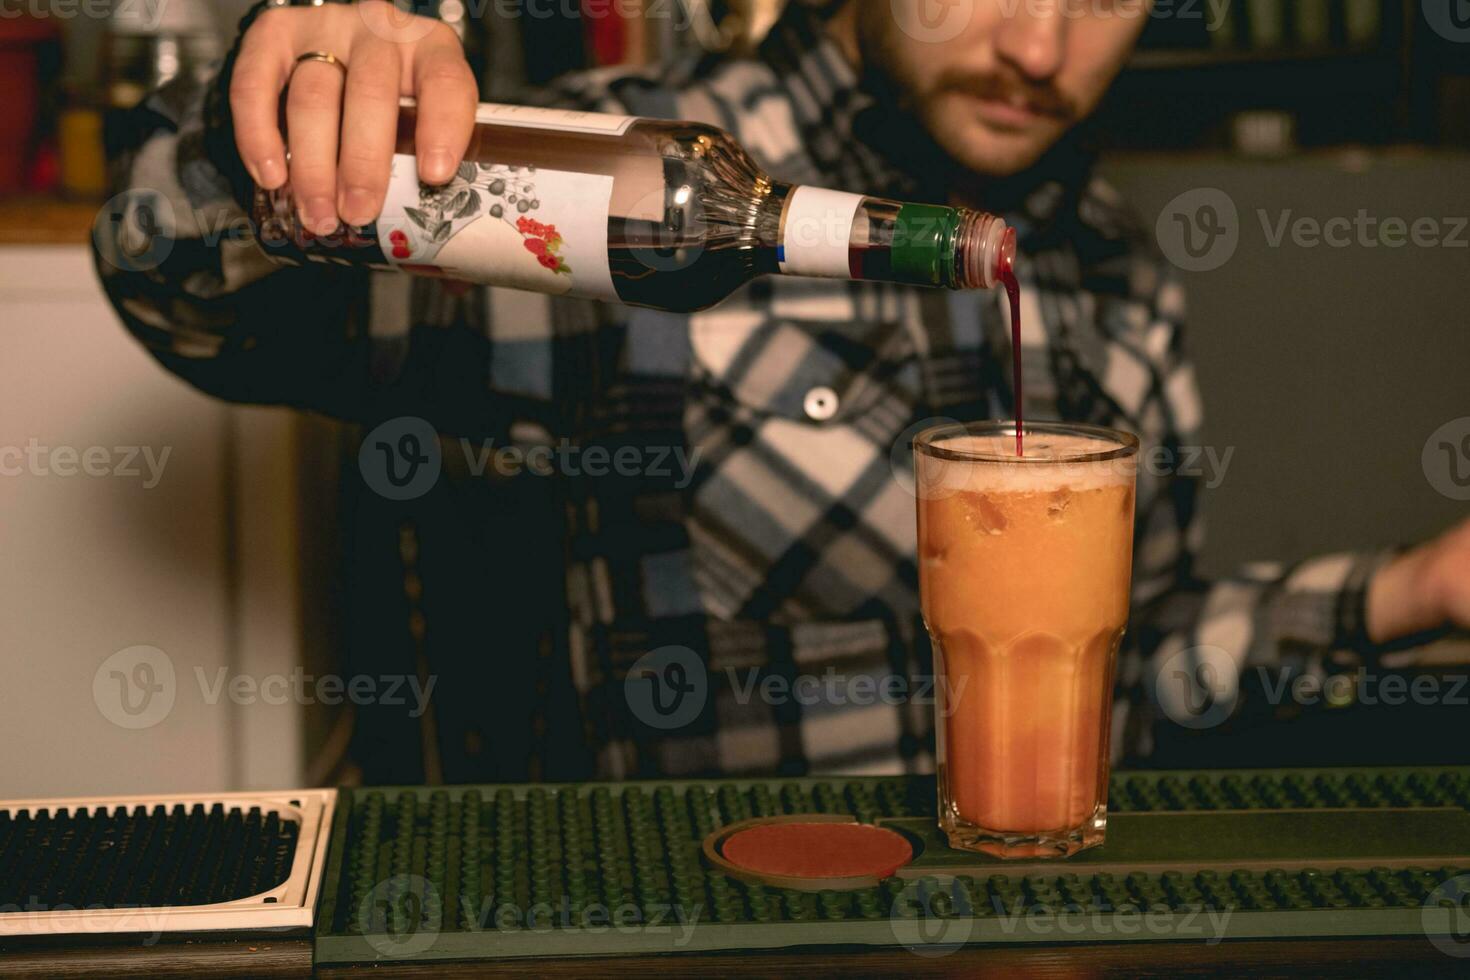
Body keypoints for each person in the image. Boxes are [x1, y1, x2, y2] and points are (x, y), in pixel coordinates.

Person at [95, 0, 1468, 783]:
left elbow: (1128, 667)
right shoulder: (609, 174)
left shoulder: (1106, 255)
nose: (1042, 49)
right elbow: (189, 302)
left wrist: (1415, 593)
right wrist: (262, 131)